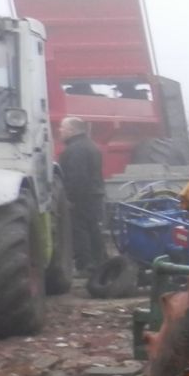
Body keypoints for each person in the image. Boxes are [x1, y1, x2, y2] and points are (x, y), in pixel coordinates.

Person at [57, 115, 107, 273]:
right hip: (94, 194)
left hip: (82, 197)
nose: (59, 130)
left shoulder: (75, 149)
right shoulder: (90, 145)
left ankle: (85, 266)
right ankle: (100, 263)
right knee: (93, 229)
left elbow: (77, 176)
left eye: (62, 128)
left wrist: (70, 198)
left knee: (80, 230)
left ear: (72, 130)